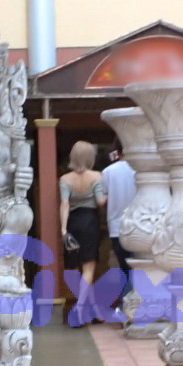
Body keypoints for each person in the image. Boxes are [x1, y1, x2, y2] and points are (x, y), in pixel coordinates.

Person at [59, 141, 107, 324]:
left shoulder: (65, 179)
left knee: (80, 269)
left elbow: (65, 204)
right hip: (90, 222)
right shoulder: (97, 176)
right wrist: (110, 194)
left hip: (73, 222)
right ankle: (79, 310)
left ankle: (95, 310)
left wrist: (64, 229)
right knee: (89, 268)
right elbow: (100, 201)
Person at [101, 139, 136, 311]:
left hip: (116, 226)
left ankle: (125, 305)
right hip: (139, 224)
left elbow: (103, 197)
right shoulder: (140, 171)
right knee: (136, 268)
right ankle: (126, 305)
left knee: (125, 268)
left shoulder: (108, 172)